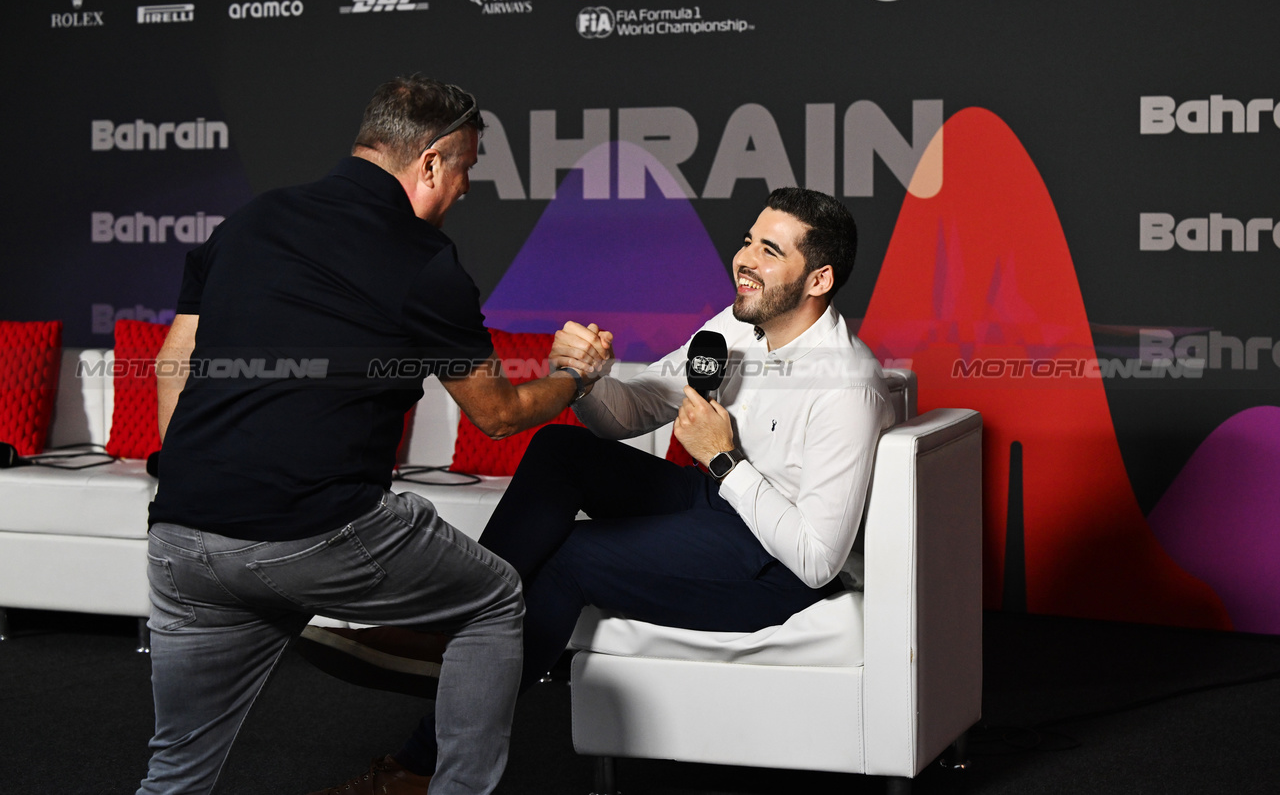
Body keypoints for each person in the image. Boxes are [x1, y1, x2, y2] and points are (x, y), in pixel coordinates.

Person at [303, 187, 897, 782]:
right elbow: (635, 412)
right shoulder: (739, 327)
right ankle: (454, 624)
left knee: (571, 557)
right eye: (747, 240)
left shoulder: (847, 385)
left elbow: (818, 560)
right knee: (563, 450)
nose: (744, 258)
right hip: (718, 505)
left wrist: (723, 461)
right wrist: (588, 379)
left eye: (769, 250)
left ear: (818, 279)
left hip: (773, 565)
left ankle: (416, 765)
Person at [136, 74, 609, 795]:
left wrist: (197, 476)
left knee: (177, 768)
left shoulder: (248, 222)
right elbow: (498, 412)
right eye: (467, 169)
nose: (466, 188)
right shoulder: (423, 261)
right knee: (494, 599)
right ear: (430, 163)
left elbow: (174, 360)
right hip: (318, 532)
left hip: (183, 534)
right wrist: (576, 376)